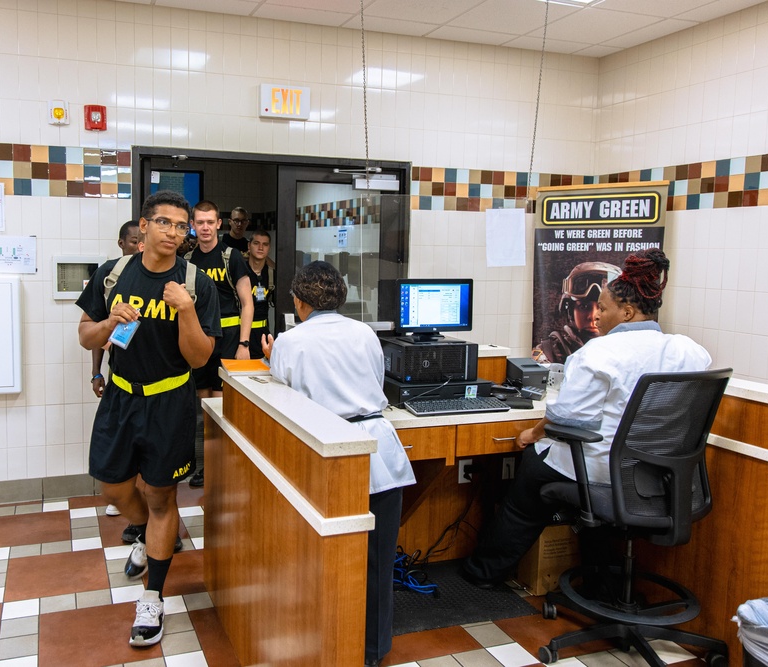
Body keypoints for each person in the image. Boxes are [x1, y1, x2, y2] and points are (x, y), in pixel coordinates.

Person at [461, 249, 711, 588]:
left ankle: (482, 575)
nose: (597, 316)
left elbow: (569, 419)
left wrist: (531, 435)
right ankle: (601, 581)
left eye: (604, 308)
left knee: (527, 486)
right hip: (661, 474)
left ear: (627, 311)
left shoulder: (598, 352)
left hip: (601, 468)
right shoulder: (689, 350)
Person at [76, 190, 221, 647]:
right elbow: (85, 336)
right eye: (165, 223)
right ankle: (142, 530)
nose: (174, 233)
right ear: (143, 226)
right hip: (120, 398)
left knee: (161, 497)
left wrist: (187, 309)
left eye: (182, 227)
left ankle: (152, 598)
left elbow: (199, 358)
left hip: (170, 402)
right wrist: (107, 322)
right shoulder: (112, 274)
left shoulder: (196, 283)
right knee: (113, 485)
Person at [261, 261, 415, 667]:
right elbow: (376, 381)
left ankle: (324, 642)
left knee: (326, 560)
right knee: (378, 563)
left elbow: (283, 396)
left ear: (298, 301)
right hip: (377, 451)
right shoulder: (364, 332)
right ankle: (372, 652)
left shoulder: (291, 342)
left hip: (327, 454)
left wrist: (271, 358)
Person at [185, 200, 254, 487]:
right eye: (199, 222)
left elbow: (248, 302)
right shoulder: (188, 261)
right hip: (201, 342)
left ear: (218, 224)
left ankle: (225, 467)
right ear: (193, 225)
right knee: (203, 408)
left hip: (229, 343)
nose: (204, 227)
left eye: (209, 222)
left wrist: (245, 342)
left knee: (223, 406)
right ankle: (206, 466)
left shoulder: (231, 256)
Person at [90, 220, 142, 519]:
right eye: (133, 241)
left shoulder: (163, 275)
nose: (138, 246)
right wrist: (97, 372)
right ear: (121, 243)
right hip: (120, 379)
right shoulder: (110, 275)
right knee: (119, 445)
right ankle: (125, 496)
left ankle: (145, 519)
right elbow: (94, 332)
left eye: (141, 240)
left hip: (157, 385)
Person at [534, 261, 622, 363]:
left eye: (601, 308)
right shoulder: (548, 353)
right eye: (583, 307)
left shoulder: (628, 350)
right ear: (570, 311)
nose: (592, 316)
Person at [246, 230, 274, 359]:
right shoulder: (240, 272)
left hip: (263, 334)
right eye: (256, 243)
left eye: (265, 244)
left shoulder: (272, 274)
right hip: (241, 334)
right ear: (249, 246)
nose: (261, 248)